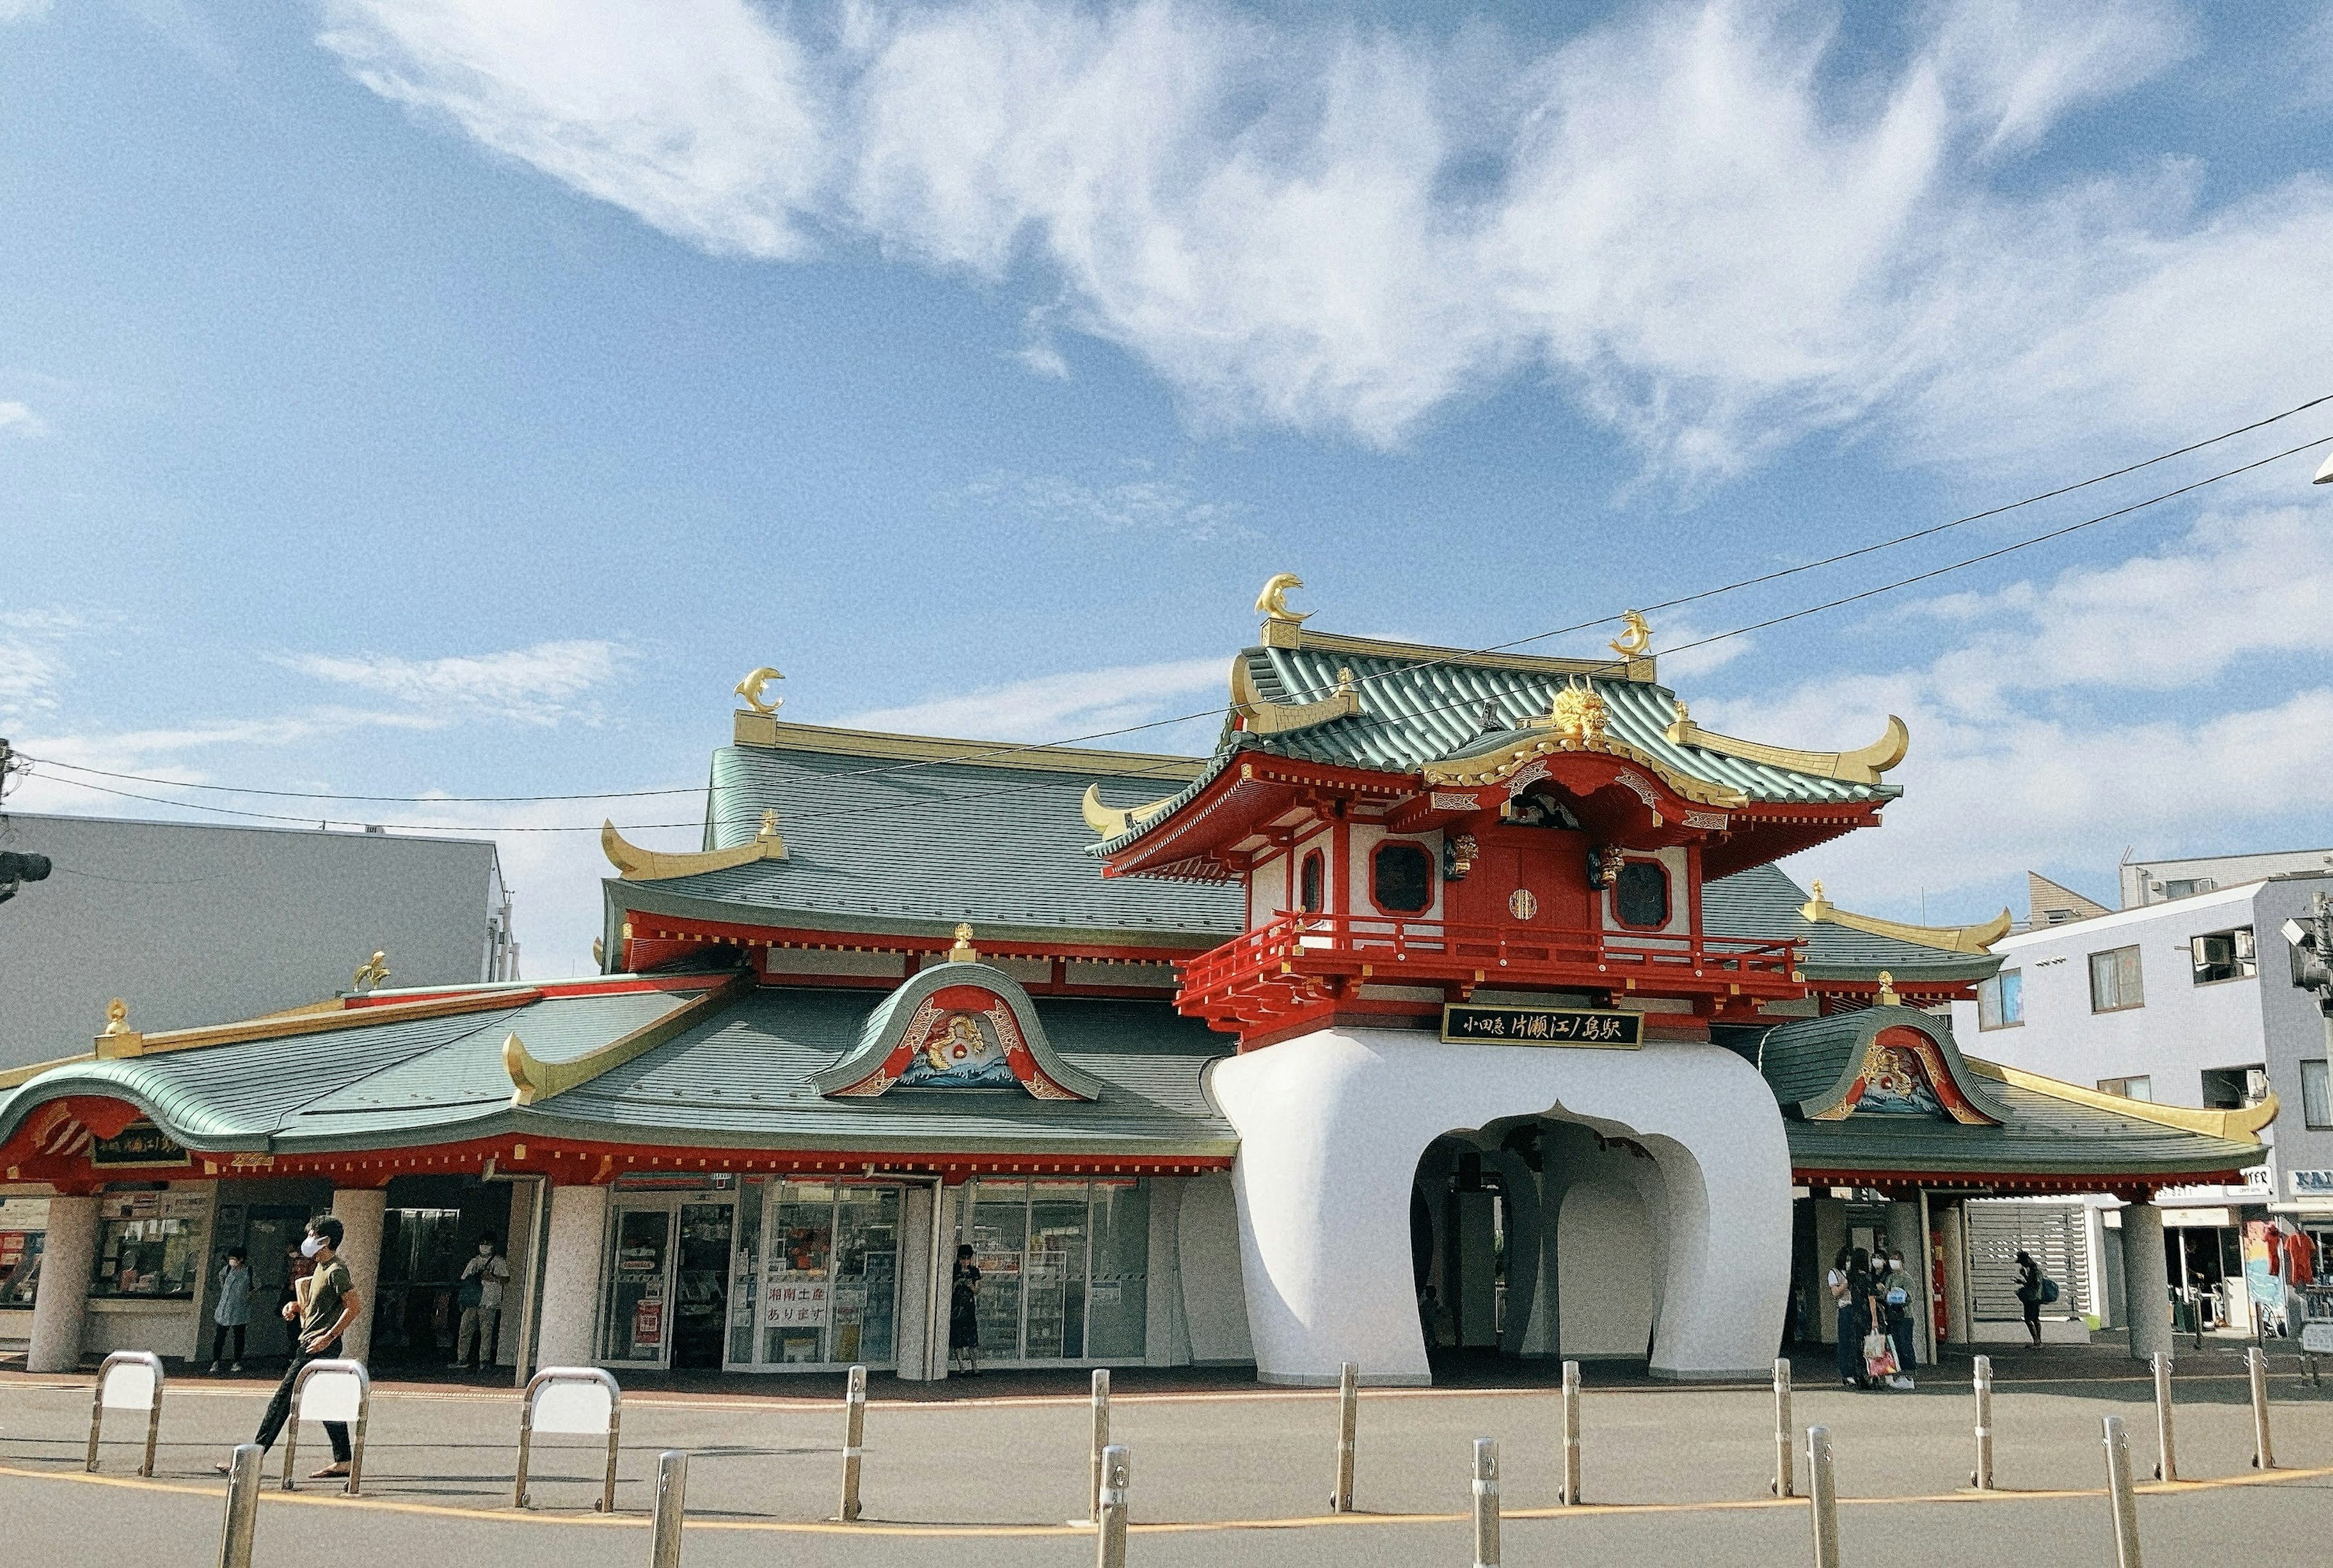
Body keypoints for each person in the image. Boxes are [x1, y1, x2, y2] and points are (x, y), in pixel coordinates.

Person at [221, 1215, 363, 1480]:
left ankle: (253, 1458)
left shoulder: (336, 1270)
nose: (306, 1241)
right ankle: (343, 1459)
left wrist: (328, 1338)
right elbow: (317, 1306)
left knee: (281, 1401)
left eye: (311, 1235)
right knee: (327, 1402)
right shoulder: (320, 1268)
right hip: (311, 1341)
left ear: (325, 1241)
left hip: (317, 1347)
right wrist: (295, 1307)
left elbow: (353, 1307)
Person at [450, 1233, 512, 1372]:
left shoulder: (498, 1261)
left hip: (489, 1302)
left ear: (493, 1246)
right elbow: (464, 1280)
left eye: (488, 1243)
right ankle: (462, 1359)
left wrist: (493, 1277)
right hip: (472, 1302)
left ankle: (484, 1361)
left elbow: (506, 1279)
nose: (484, 1246)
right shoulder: (474, 1261)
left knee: (486, 1332)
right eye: (482, 1242)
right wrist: (463, 1300)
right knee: (465, 1330)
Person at [208, 1247, 253, 1374]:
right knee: (220, 1337)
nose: (231, 1261)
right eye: (230, 1258)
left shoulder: (248, 1272)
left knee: (239, 1336)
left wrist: (248, 1296)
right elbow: (221, 1278)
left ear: (242, 1260)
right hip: (224, 1308)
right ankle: (216, 1361)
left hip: (240, 1309)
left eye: (234, 1259)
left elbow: (256, 1285)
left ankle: (237, 1362)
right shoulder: (227, 1270)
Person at [1879, 1250, 1917, 1390]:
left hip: (1905, 1316)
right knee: (1895, 1346)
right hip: (1892, 1316)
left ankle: (1908, 1375)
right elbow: (1885, 1295)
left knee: (1905, 1344)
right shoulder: (1890, 1278)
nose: (1893, 1261)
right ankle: (1899, 1373)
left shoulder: (1907, 1278)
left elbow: (1908, 1298)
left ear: (1902, 1261)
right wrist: (1883, 1292)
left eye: (1896, 1259)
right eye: (1891, 1259)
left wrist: (1893, 1295)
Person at [1826, 1246, 1860, 1388]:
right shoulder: (1834, 1273)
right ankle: (1846, 1373)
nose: (1849, 1263)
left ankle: (1857, 1371)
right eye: (1847, 1260)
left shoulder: (1857, 1273)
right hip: (1845, 1308)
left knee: (1857, 1341)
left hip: (1858, 1308)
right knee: (1845, 1341)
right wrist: (1847, 1282)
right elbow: (1835, 1293)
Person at [949, 1243, 981, 1375]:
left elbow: (977, 1290)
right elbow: (949, 1290)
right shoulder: (954, 1271)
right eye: (963, 1259)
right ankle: (961, 1367)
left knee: (972, 1340)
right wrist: (957, 1284)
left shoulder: (974, 1272)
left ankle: (975, 1367)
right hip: (956, 1308)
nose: (965, 1262)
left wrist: (970, 1286)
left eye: (968, 1259)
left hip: (969, 1308)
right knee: (958, 1340)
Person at [2014, 1250, 2044, 1347]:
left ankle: (2036, 1340)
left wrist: (2022, 1282)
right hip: (2036, 1297)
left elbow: (2033, 1284)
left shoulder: (2034, 1270)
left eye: (2023, 1262)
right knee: (2035, 1319)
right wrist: (2025, 1276)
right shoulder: (2034, 1269)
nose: (2023, 1264)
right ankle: (2038, 1340)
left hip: (2032, 1297)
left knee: (2028, 1319)